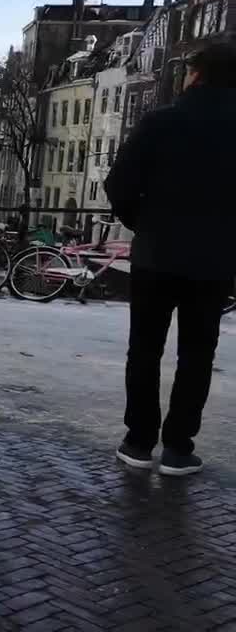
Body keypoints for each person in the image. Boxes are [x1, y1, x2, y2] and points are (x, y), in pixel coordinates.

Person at [105, 40, 236, 477]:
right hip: (213, 261)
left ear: (196, 74)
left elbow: (119, 183)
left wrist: (144, 224)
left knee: (144, 349)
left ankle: (139, 441)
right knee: (197, 355)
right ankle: (179, 448)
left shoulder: (160, 122)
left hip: (156, 256)